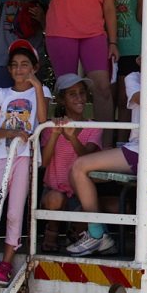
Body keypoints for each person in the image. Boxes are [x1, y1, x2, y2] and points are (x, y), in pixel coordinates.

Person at [66, 35, 147, 255]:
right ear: (143, 61)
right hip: (136, 150)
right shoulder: (134, 77)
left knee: (79, 168)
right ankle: (97, 233)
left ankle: (96, 234)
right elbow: (142, 99)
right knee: (80, 171)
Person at [0, 39, 50, 286]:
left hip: (25, 157)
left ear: (34, 68)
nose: (19, 69)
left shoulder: (42, 92)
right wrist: (13, 133)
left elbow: (44, 122)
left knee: (15, 212)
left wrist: (36, 87)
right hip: (1, 156)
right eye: (14, 64)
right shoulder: (1, 94)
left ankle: (5, 263)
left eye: (25, 64)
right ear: (8, 69)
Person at [19, 0, 117, 123]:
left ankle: (104, 145)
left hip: (94, 34)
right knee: (68, 91)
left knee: (103, 89)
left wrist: (113, 42)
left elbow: (109, 7)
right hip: (61, 33)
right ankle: (67, 144)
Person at [39, 74, 102, 252]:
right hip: (54, 190)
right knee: (55, 198)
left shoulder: (94, 126)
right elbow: (44, 161)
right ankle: (51, 231)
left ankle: (75, 234)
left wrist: (72, 137)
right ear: (62, 100)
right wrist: (56, 134)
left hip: (79, 194)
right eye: (72, 94)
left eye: (82, 93)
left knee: (87, 210)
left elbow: (86, 158)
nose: (79, 98)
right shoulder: (50, 127)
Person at [109, 0, 143, 125]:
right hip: (108, 46)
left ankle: (121, 143)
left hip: (132, 48)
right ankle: (107, 142)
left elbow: (141, 17)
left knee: (125, 100)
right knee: (108, 98)